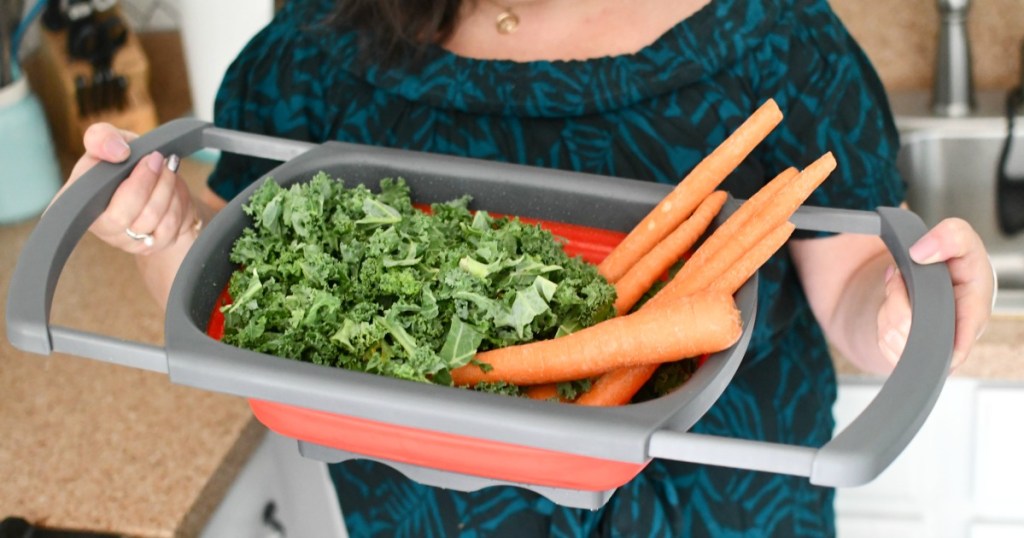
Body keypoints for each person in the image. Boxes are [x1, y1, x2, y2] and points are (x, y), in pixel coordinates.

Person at [60, 0, 995, 535]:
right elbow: (239, 286)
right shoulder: (315, 49)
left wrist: (902, 317)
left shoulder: (777, 37)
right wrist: (165, 230)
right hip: (432, 517)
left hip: (727, 515)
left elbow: (853, 287)